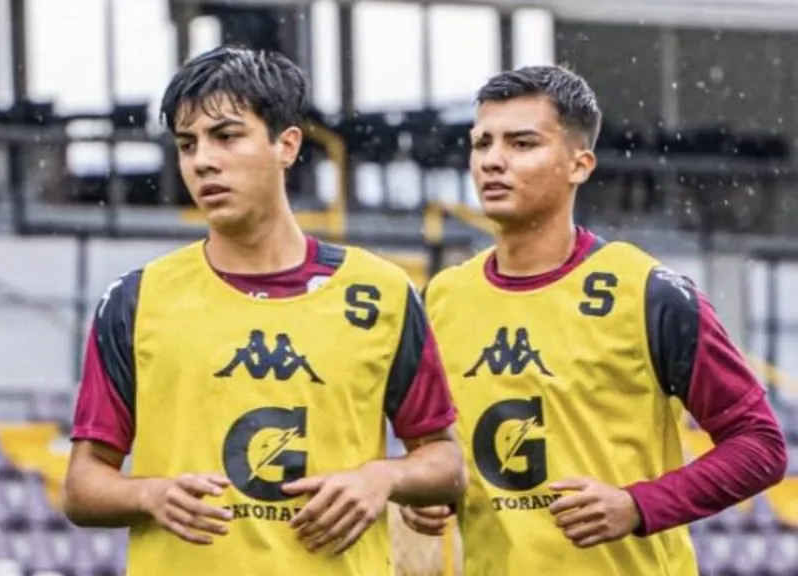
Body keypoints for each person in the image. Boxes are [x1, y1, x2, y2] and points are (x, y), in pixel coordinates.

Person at [62, 45, 466, 576]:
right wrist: (150, 494)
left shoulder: (381, 292)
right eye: (187, 144)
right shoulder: (136, 300)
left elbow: (445, 461)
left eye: (226, 136)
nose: (203, 160)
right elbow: (82, 485)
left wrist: (383, 477)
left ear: (287, 144)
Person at [402, 65, 788, 576]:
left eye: (522, 143)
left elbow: (760, 446)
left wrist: (638, 505)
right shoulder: (443, 298)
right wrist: (429, 496)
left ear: (579, 165)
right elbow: (446, 454)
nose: (493, 160)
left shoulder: (648, 292)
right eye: (482, 143)